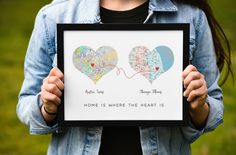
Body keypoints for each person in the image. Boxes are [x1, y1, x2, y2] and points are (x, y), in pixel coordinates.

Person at [17, 0, 233, 154]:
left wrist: (198, 107)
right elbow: (26, 102)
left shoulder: (191, 16)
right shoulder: (54, 16)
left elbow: (213, 106)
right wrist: (48, 108)